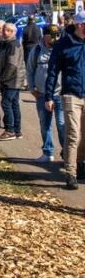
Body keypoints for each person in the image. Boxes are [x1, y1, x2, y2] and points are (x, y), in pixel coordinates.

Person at [44, 12, 85, 190]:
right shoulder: (63, 44)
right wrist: (48, 96)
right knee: (73, 134)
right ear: (80, 25)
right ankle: (71, 173)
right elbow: (53, 71)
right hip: (71, 94)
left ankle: (80, 164)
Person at [27, 24, 65, 163]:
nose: (55, 38)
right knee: (45, 124)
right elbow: (30, 70)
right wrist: (32, 89)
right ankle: (48, 152)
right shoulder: (37, 50)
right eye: (52, 35)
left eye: (58, 35)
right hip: (42, 94)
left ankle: (67, 153)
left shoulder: (62, 49)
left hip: (60, 94)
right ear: (45, 35)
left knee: (62, 125)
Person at [0, 23, 24, 140]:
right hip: (12, 79)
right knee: (13, 104)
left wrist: (3, 79)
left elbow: (12, 64)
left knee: (6, 103)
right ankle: (17, 131)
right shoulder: (6, 43)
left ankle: (10, 130)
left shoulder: (13, 45)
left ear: (13, 32)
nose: (3, 32)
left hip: (12, 80)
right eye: (3, 30)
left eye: (7, 30)